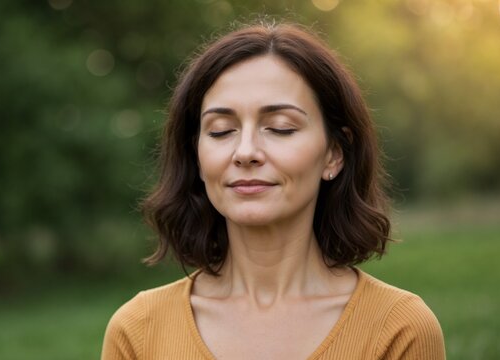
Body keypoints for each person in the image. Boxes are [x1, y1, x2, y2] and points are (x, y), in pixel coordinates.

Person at [101, 22, 445, 360]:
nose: (245, 151)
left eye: (279, 128)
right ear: (197, 155)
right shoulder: (138, 330)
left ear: (334, 153)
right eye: (221, 131)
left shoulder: (400, 329)